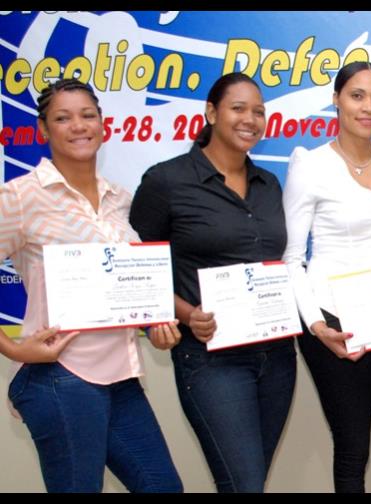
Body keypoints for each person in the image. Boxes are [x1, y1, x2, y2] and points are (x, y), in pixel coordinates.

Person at [0, 78, 182, 493]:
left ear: (103, 124)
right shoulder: (21, 197)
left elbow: (129, 284)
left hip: (121, 376)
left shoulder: (120, 198)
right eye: (63, 118)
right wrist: (12, 347)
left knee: (163, 487)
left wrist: (156, 324)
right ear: (44, 130)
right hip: (59, 376)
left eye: (87, 115)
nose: (78, 126)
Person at [129, 72, 295, 493]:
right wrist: (186, 314)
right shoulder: (166, 182)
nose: (250, 119)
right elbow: (134, 272)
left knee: (244, 484)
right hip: (210, 358)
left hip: (276, 358)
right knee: (244, 485)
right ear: (211, 112)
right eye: (238, 108)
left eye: (259, 111)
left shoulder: (269, 185)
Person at [282, 61, 371, 493]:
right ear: (337, 100)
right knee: (353, 450)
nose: (368, 107)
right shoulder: (310, 165)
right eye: (357, 95)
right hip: (334, 325)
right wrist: (316, 325)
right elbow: (291, 258)